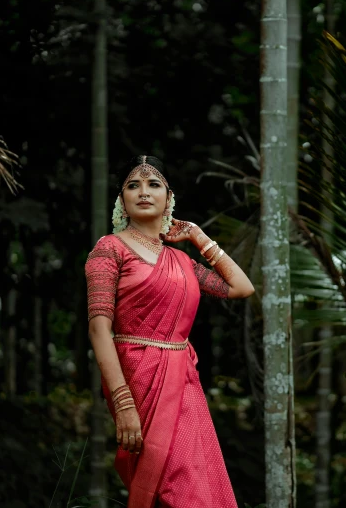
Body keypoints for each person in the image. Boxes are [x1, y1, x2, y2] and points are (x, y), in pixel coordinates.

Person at [85, 155, 254, 508]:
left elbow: (241, 287)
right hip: (137, 380)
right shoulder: (109, 249)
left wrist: (196, 235)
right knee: (172, 488)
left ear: (168, 197)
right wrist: (122, 402)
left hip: (184, 385)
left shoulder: (181, 261)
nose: (143, 191)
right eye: (133, 185)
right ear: (121, 200)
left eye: (153, 184)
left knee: (197, 490)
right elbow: (99, 328)